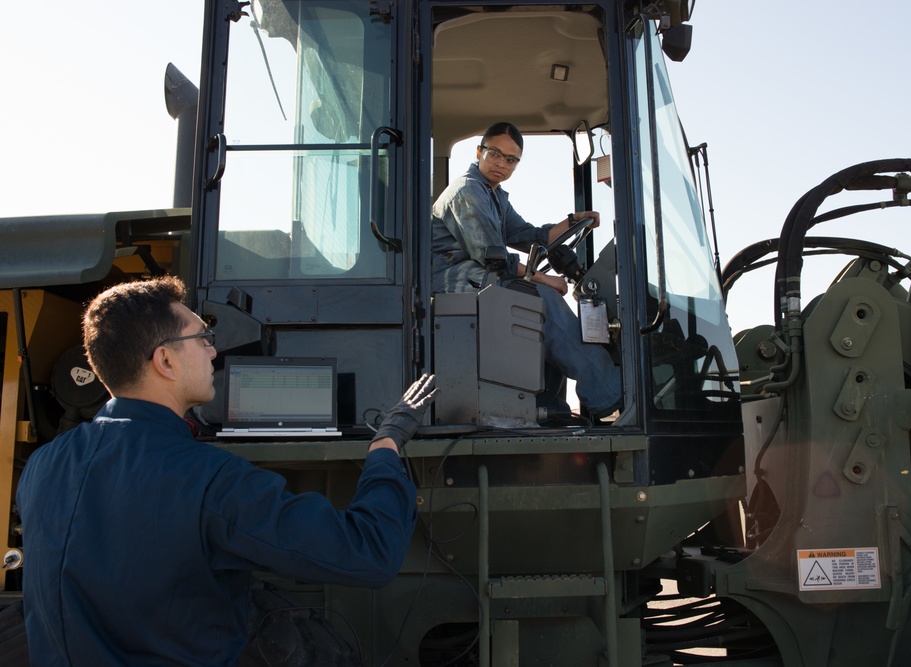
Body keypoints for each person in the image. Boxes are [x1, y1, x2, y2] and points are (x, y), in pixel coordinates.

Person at [16, 276, 436, 666]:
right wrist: (386, 444)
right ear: (165, 360)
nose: (214, 350)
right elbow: (368, 553)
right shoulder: (210, 480)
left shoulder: (41, 467)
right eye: (203, 338)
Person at [431, 121, 622, 418]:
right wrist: (546, 279)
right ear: (479, 151)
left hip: (476, 278)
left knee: (541, 303)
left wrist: (572, 221)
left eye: (510, 160)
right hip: (452, 282)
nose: (501, 164)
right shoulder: (468, 191)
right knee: (542, 300)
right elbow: (491, 257)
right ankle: (609, 394)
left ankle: (549, 409)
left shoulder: (493, 194)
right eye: (494, 154)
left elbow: (527, 235)